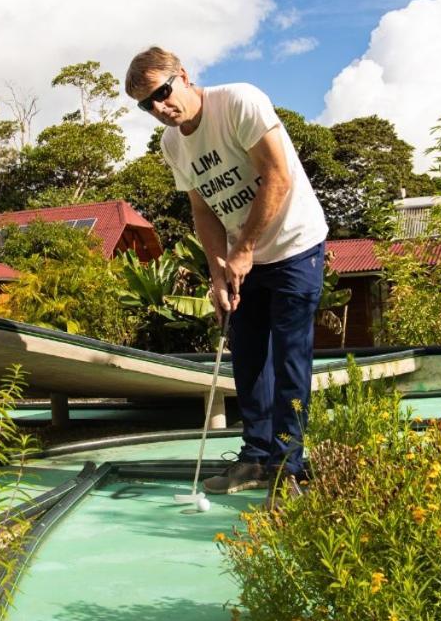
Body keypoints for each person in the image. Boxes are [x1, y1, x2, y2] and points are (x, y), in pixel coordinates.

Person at [124, 46, 328, 497]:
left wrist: (245, 249)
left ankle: (288, 468)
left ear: (183, 74)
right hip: (243, 258)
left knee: (289, 360)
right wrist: (219, 273)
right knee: (249, 359)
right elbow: (203, 210)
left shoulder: (239, 101)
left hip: (295, 245)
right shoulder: (172, 143)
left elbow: (278, 177)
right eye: (147, 104)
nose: (159, 107)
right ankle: (255, 458)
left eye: (162, 92)